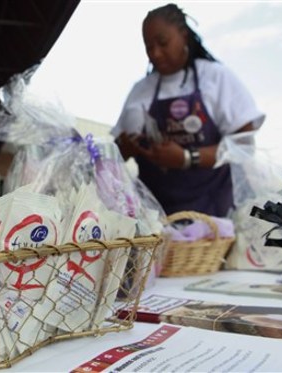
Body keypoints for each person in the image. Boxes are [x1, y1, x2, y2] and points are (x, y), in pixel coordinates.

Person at [111, 3, 265, 217]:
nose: (155, 53)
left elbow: (243, 144)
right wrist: (127, 145)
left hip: (212, 215)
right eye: (148, 46)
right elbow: (114, 153)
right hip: (155, 219)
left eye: (163, 43)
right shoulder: (140, 90)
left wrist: (187, 157)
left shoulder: (215, 78)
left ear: (184, 35)